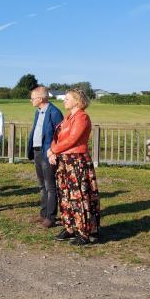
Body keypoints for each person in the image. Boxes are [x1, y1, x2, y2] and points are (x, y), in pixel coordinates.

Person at [48, 89, 101, 246]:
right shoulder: (67, 118)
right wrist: (52, 151)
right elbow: (56, 137)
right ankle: (70, 227)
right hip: (64, 161)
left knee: (79, 195)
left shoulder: (82, 117)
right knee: (65, 195)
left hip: (76, 161)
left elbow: (73, 139)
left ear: (77, 101)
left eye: (67, 98)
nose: (64, 101)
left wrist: (54, 150)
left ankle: (84, 231)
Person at [27, 86, 64, 228]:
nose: (31, 101)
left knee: (50, 186)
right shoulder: (38, 112)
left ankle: (51, 217)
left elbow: (60, 135)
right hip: (37, 152)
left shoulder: (54, 112)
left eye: (32, 98)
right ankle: (43, 214)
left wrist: (54, 152)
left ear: (41, 99)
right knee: (42, 185)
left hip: (48, 153)